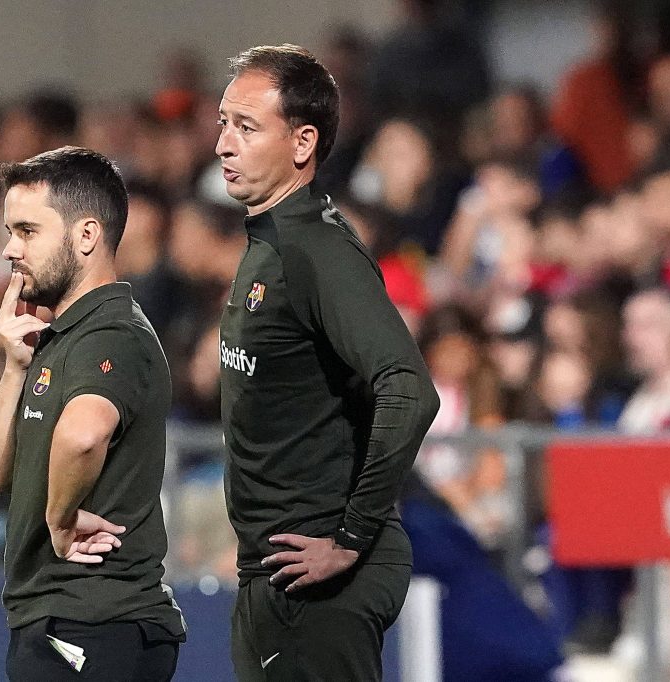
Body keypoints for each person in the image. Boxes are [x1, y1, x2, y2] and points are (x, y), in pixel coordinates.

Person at [215, 44, 440, 681]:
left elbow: (410, 389)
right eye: (223, 123)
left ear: (302, 142)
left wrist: (351, 536)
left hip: (317, 577)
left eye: (246, 127)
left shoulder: (315, 248)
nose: (223, 145)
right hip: (279, 572)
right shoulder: (272, 242)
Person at [0, 147, 185, 680]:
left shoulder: (110, 334)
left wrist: (60, 519)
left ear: (86, 235)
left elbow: (84, 435)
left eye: (26, 231)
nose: (8, 249)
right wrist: (13, 369)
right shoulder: (56, 339)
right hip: (67, 619)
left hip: (91, 619)